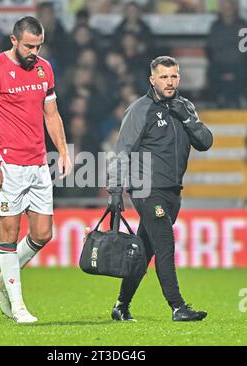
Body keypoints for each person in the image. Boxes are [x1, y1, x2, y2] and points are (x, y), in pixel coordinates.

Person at [0, 16, 72, 324]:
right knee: (9, 232)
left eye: (39, 45)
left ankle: (1, 282)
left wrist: (64, 151)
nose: (34, 51)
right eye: (29, 46)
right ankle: (17, 307)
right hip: (8, 164)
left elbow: (51, 113)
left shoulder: (45, 68)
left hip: (38, 162)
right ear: (14, 40)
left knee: (43, 234)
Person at [107, 56, 213, 322]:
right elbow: (122, 152)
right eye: (164, 77)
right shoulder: (139, 109)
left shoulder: (185, 106)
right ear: (152, 80)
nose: (170, 81)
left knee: (145, 251)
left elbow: (205, 142)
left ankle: (121, 305)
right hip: (146, 189)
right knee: (165, 243)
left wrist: (186, 118)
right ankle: (178, 307)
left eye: (174, 76)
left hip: (172, 190)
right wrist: (115, 191)